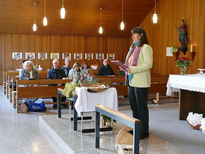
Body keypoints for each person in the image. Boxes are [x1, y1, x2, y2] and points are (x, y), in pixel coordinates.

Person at [125, 27, 153, 139]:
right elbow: (130, 64)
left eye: (134, 34)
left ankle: (144, 131)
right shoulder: (133, 48)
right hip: (132, 81)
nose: (132, 36)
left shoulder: (146, 48)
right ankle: (136, 128)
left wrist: (132, 69)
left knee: (141, 107)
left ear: (141, 35)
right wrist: (125, 68)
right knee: (134, 107)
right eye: (132, 35)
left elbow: (148, 64)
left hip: (141, 82)